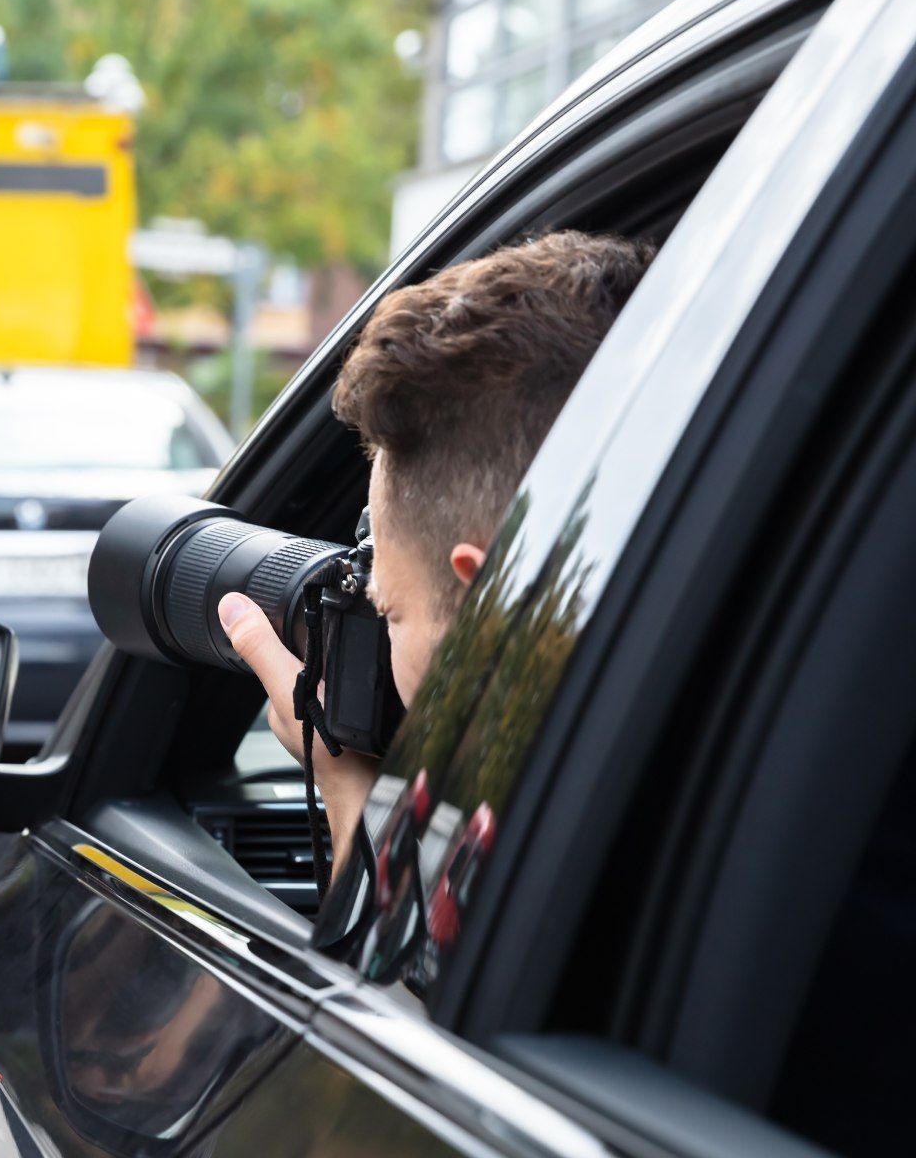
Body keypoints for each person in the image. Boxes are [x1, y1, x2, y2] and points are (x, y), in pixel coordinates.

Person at [218, 231, 654, 876]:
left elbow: (391, 980)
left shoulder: (556, 860)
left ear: (495, 608)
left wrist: (352, 803)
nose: (378, 623)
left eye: (388, 608)